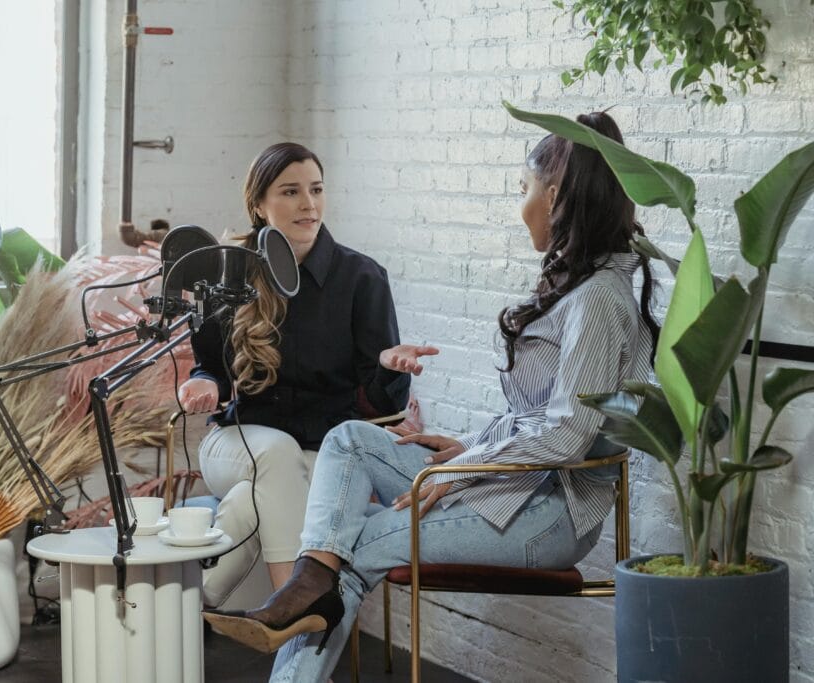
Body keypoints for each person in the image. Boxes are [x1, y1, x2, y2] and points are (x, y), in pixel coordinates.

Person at [203, 112, 661, 681]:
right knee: (349, 442)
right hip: (506, 483)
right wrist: (467, 444)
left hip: (545, 514)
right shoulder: (581, 285)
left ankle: (300, 599)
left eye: (524, 190)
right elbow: (538, 416)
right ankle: (306, 585)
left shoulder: (595, 299)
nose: (520, 207)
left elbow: (567, 435)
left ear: (558, 194)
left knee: (355, 546)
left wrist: (460, 469)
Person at [177, 142, 436, 607]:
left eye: (316, 190)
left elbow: (385, 408)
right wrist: (204, 383)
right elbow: (211, 369)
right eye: (291, 191)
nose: (308, 204)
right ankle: (293, 612)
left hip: (324, 453)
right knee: (277, 457)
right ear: (259, 204)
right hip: (237, 442)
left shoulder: (362, 278)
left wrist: (389, 368)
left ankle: (194, 599)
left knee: (254, 501)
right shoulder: (229, 275)